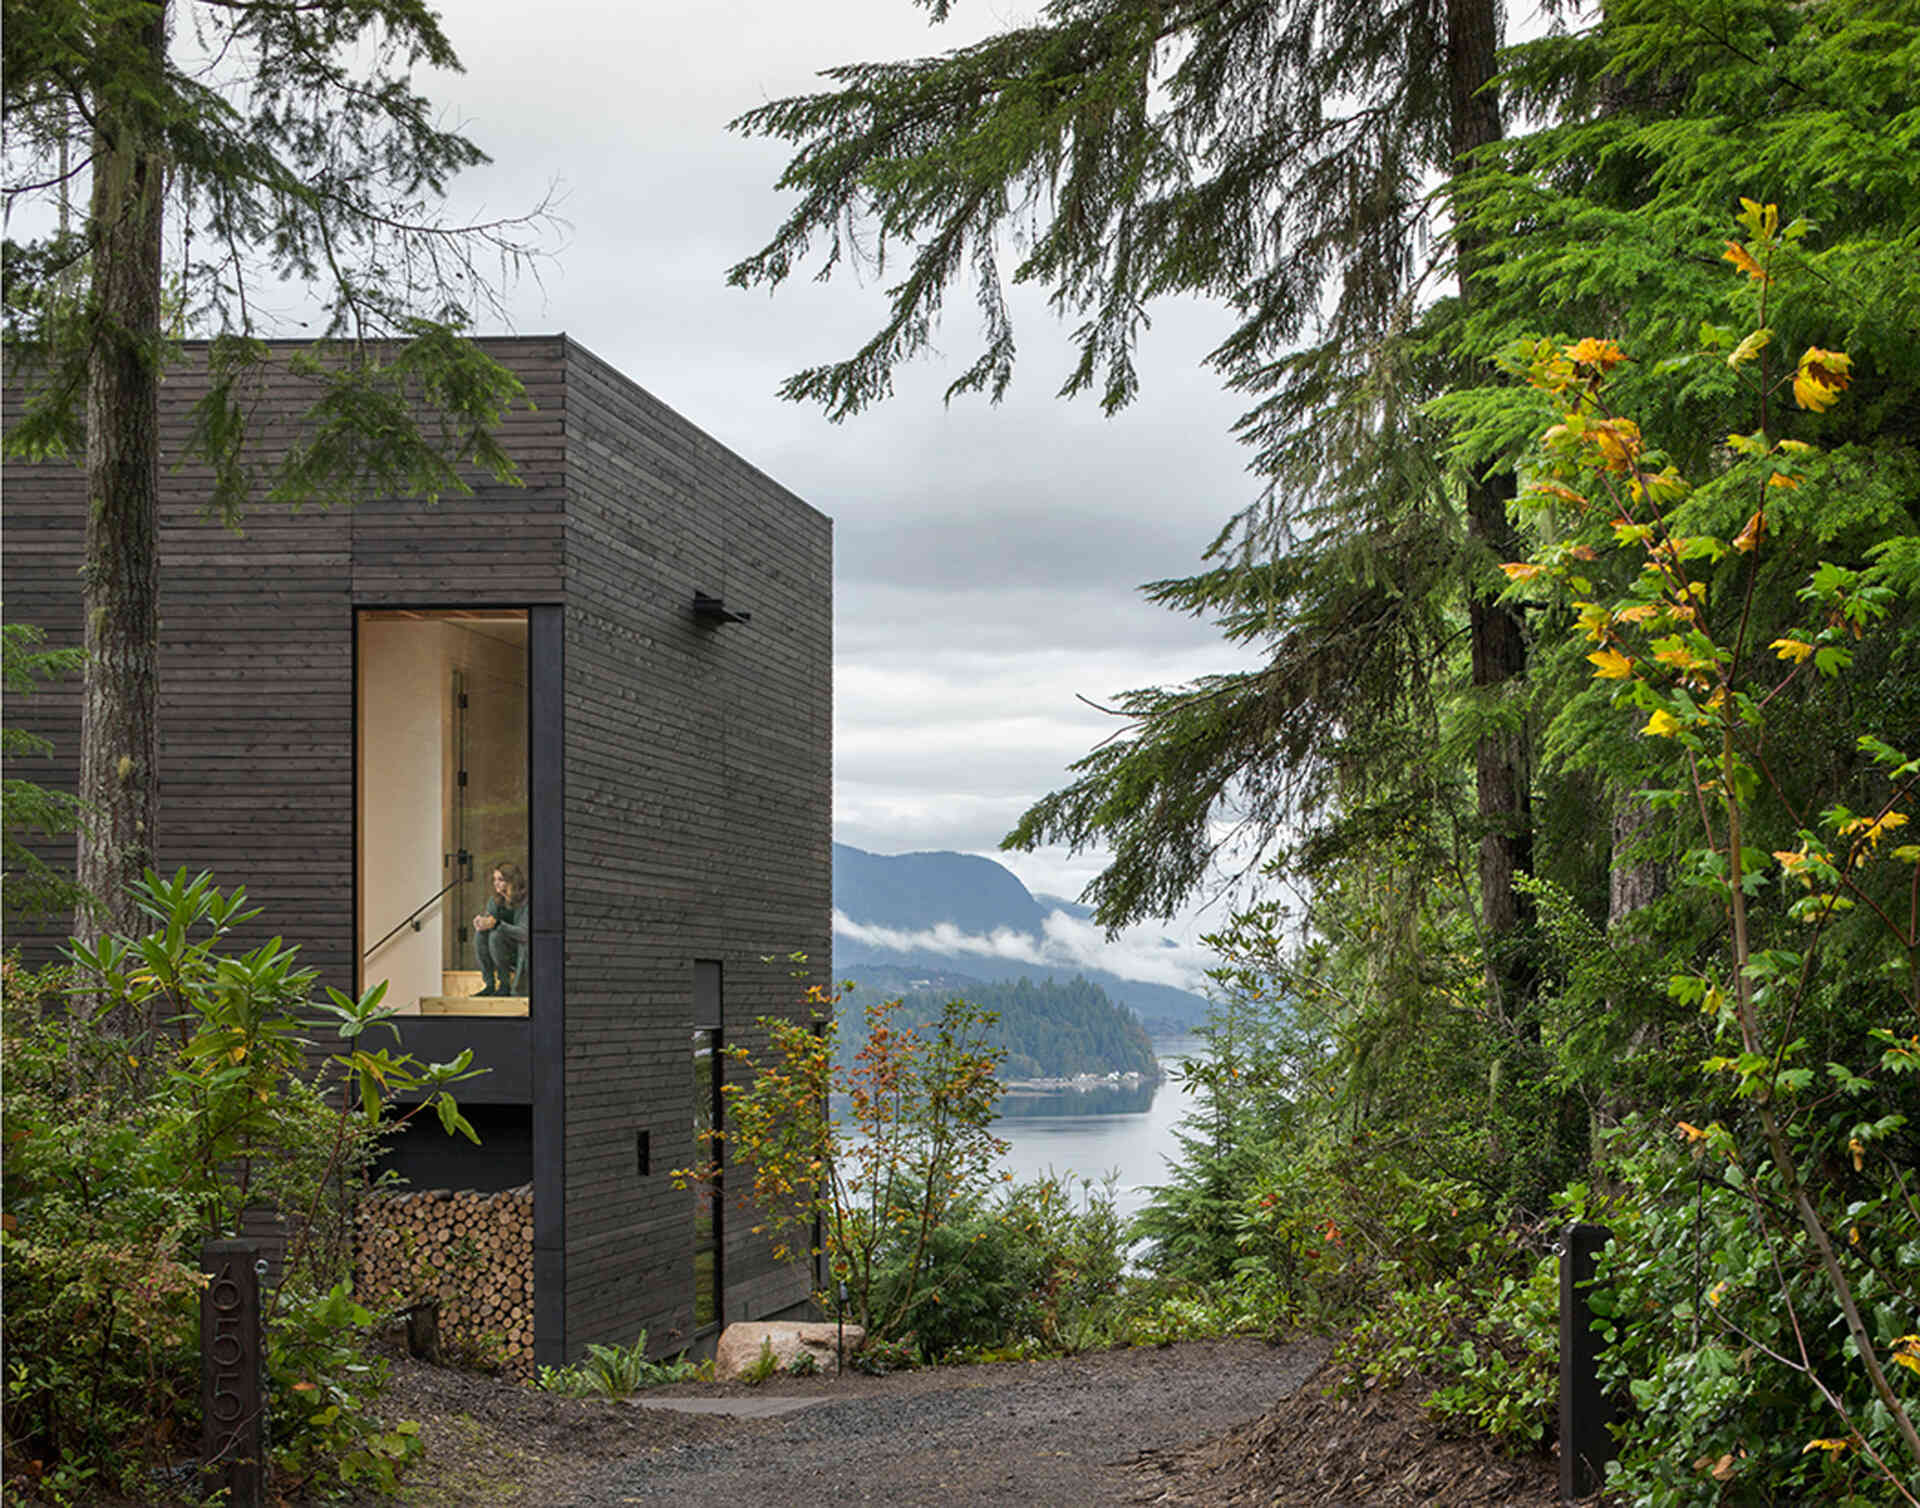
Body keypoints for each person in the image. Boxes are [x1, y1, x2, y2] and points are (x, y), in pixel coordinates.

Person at [473, 861, 529, 996]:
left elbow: (525, 934)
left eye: (500, 880)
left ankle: (504, 985)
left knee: (496, 934)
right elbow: (490, 920)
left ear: (512, 881)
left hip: (521, 949)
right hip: (502, 948)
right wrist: (481, 923)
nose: (496, 883)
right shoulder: (495, 900)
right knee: (480, 935)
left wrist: (497, 924)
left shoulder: (526, 901)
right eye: (495, 879)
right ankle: (490, 984)